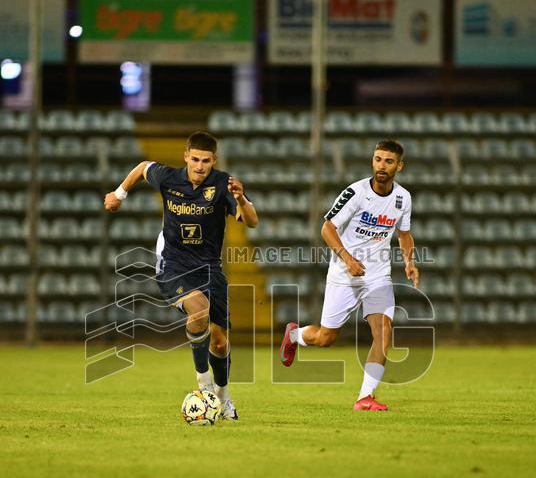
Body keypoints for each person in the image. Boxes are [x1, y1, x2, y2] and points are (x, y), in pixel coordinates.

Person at [104, 131, 258, 420]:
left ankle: (223, 399)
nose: (200, 166)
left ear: (215, 161)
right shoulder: (168, 177)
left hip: (210, 267)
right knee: (198, 309)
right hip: (173, 264)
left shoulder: (224, 185)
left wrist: (242, 199)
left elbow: (252, 221)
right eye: (195, 159)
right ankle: (205, 388)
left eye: (206, 161)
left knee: (220, 342)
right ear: (186, 156)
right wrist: (118, 194)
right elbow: (142, 167)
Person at [279, 139, 418, 411]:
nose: (381, 165)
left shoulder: (403, 198)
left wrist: (410, 262)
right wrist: (348, 258)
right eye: (378, 159)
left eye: (388, 161)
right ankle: (295, 336)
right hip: (344, 273)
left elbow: (404, 233)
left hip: (378, 275)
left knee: (384, 333)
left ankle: (365, 397)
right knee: (325, 339)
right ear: (372, 161)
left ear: (399, 166)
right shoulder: (356, 193)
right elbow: (327, 228)